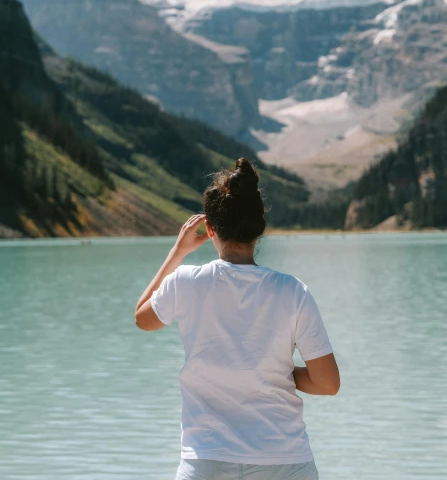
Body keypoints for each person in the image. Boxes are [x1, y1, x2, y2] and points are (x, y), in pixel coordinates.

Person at [135, 158, 340, 480]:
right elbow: (327, 384)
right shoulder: (294, 291)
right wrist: (271, 369)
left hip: (206, 460)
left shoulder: (185, 282)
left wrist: (178, 252)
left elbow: (143, 318)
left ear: (211, 229)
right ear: (260, 225)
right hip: (285, 461)